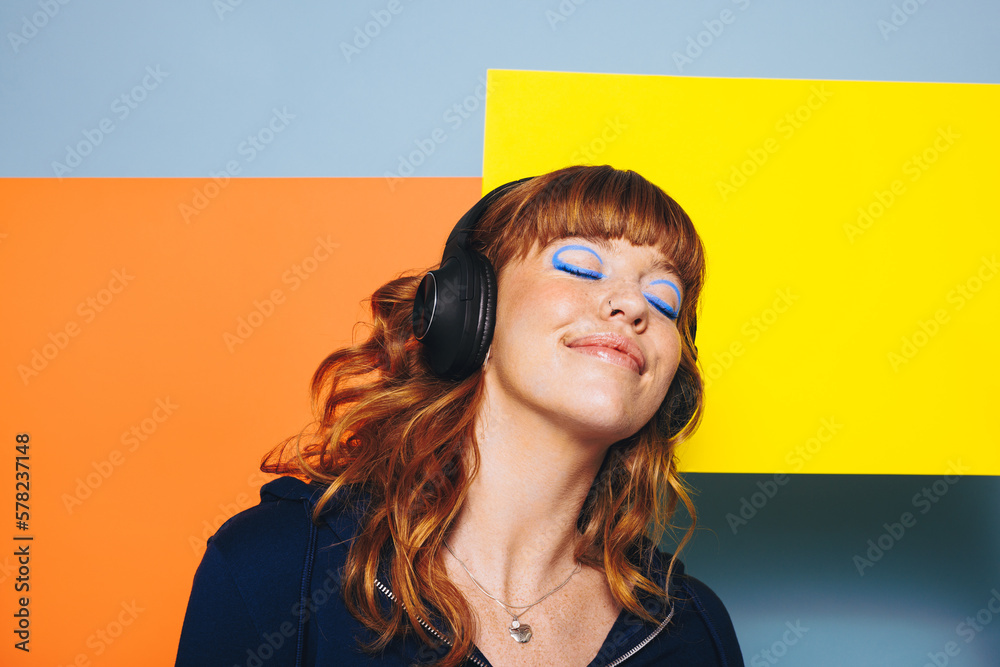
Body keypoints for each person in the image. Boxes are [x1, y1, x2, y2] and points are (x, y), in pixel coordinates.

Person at [175, 165, 744, 666]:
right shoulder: (277, 565)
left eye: (665, 297)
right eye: (580, 266)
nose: (633, 305)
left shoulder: (694, 631)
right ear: (472, 311)